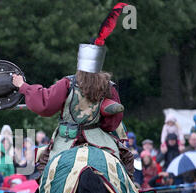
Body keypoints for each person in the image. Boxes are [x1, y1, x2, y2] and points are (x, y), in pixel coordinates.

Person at [12, 41, 128, 174]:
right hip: (100, 140)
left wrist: (23, 86)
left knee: (44, 167)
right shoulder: (109, 87)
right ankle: (132, 192)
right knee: (126, 161)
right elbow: (112, 123)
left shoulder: (66, 83)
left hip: (66, 140)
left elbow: (45, 104)